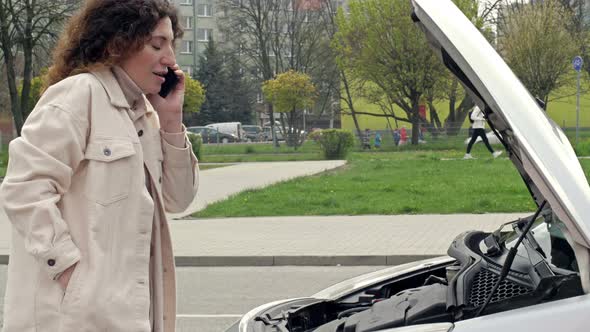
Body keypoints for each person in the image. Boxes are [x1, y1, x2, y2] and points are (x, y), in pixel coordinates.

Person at [0, 1, 198, 331]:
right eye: (157, 44)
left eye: (172, 45)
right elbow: (24, 189)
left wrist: (171, 121)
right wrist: (71, 275)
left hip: (128, 315)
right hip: (71, 319)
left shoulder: (145, 116)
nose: (171, 60)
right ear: (118, 43)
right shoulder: (78, 96)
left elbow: (179, 199)